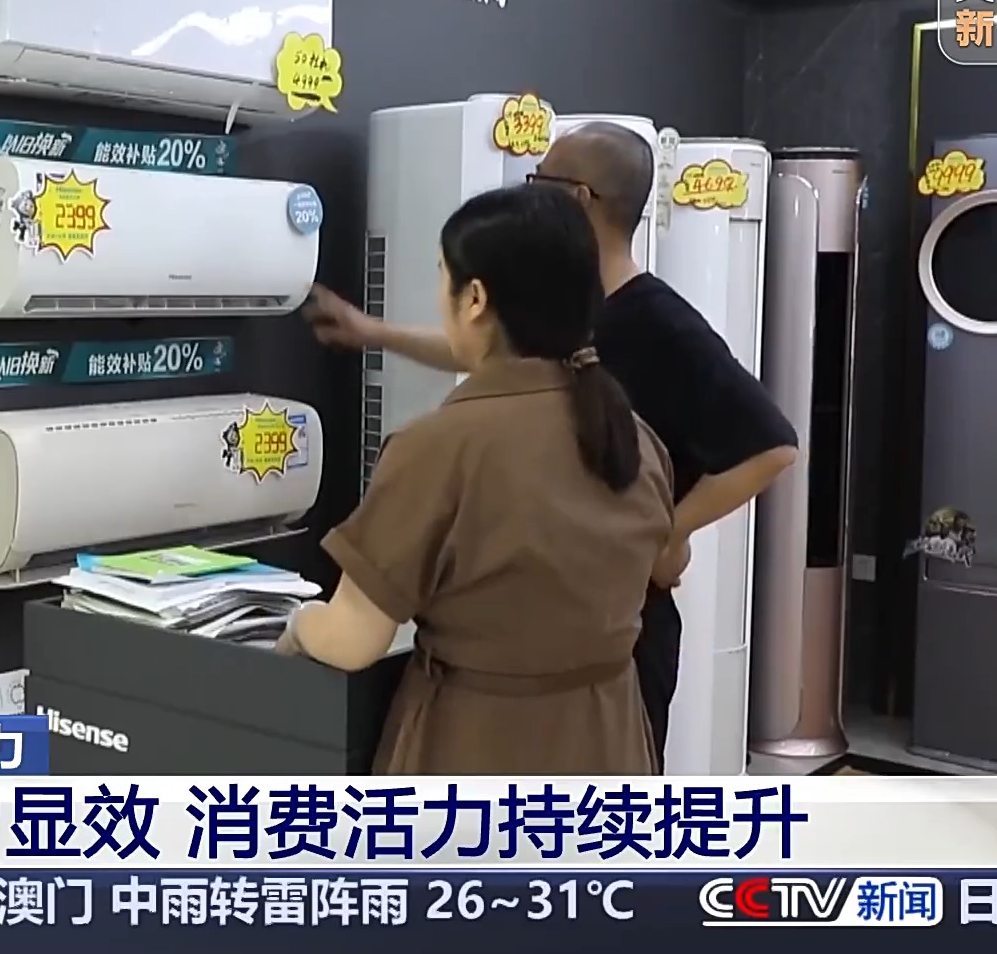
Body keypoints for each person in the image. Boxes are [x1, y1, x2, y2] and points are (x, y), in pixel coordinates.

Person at [306, 122, 799, 770]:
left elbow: (773, 445)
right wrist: (374, 333)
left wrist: (664, 532)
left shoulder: (437, 446)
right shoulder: (626, 427)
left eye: (543, 178)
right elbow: (485, 352)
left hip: (496, 728)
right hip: (602, 723)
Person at [274, 182, 674, 774]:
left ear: (475, 298)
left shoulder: (434, 450)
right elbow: (669, 563)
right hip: (610, 742)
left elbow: (353, 640)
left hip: (480, 746)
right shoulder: (631, 437)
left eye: (443, 277)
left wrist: (297, 627)